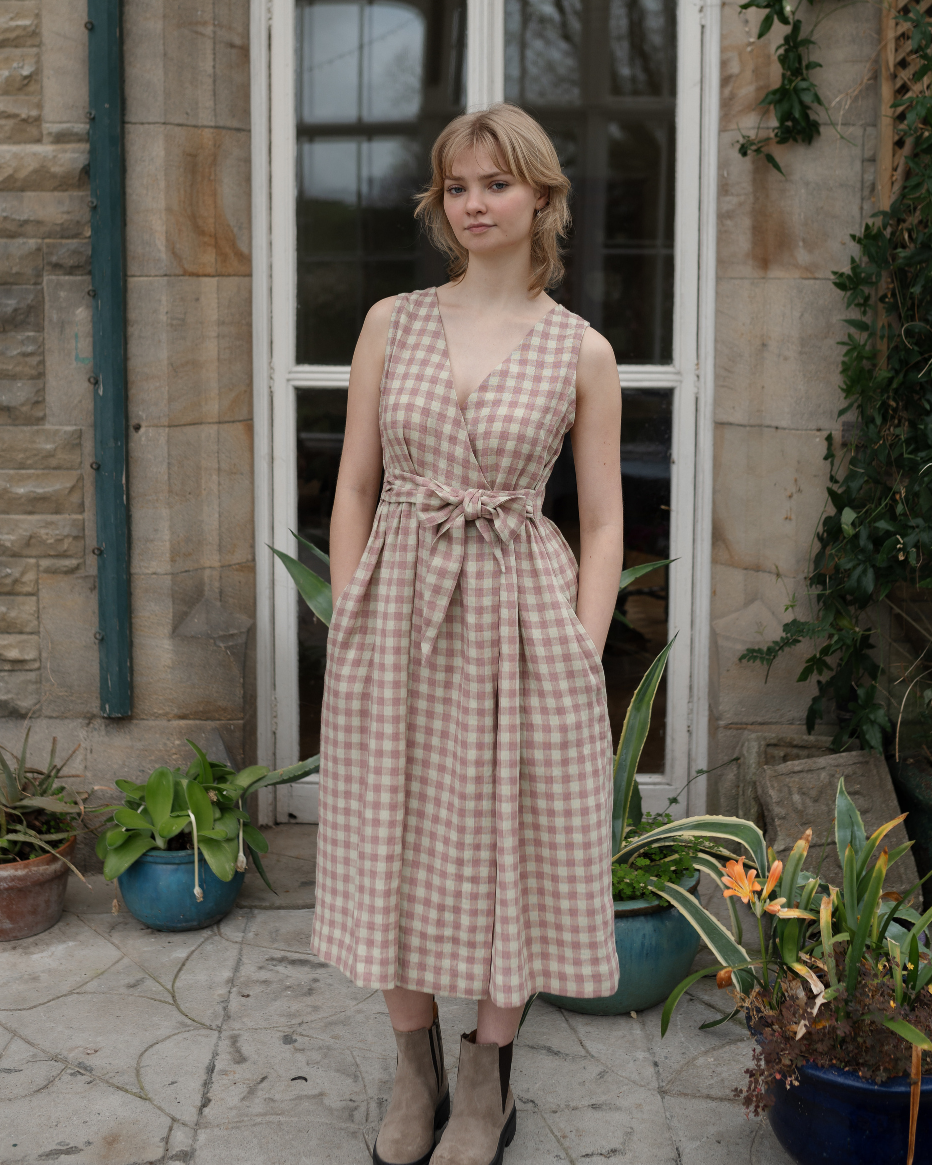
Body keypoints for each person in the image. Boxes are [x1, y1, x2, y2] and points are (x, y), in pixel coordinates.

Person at [310, 103, 623, 1165]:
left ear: (540, 195)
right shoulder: (390, 323)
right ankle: (415, 1066)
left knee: (511, 850)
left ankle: (485, 1073)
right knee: (387, 837)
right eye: (456, 185)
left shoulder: (582, 350)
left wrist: (580, 651)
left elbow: (602, 519)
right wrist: (353, 610)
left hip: (521, 624)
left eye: (495, 183)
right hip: (395, 613)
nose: (474, 203)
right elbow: (354, 484)